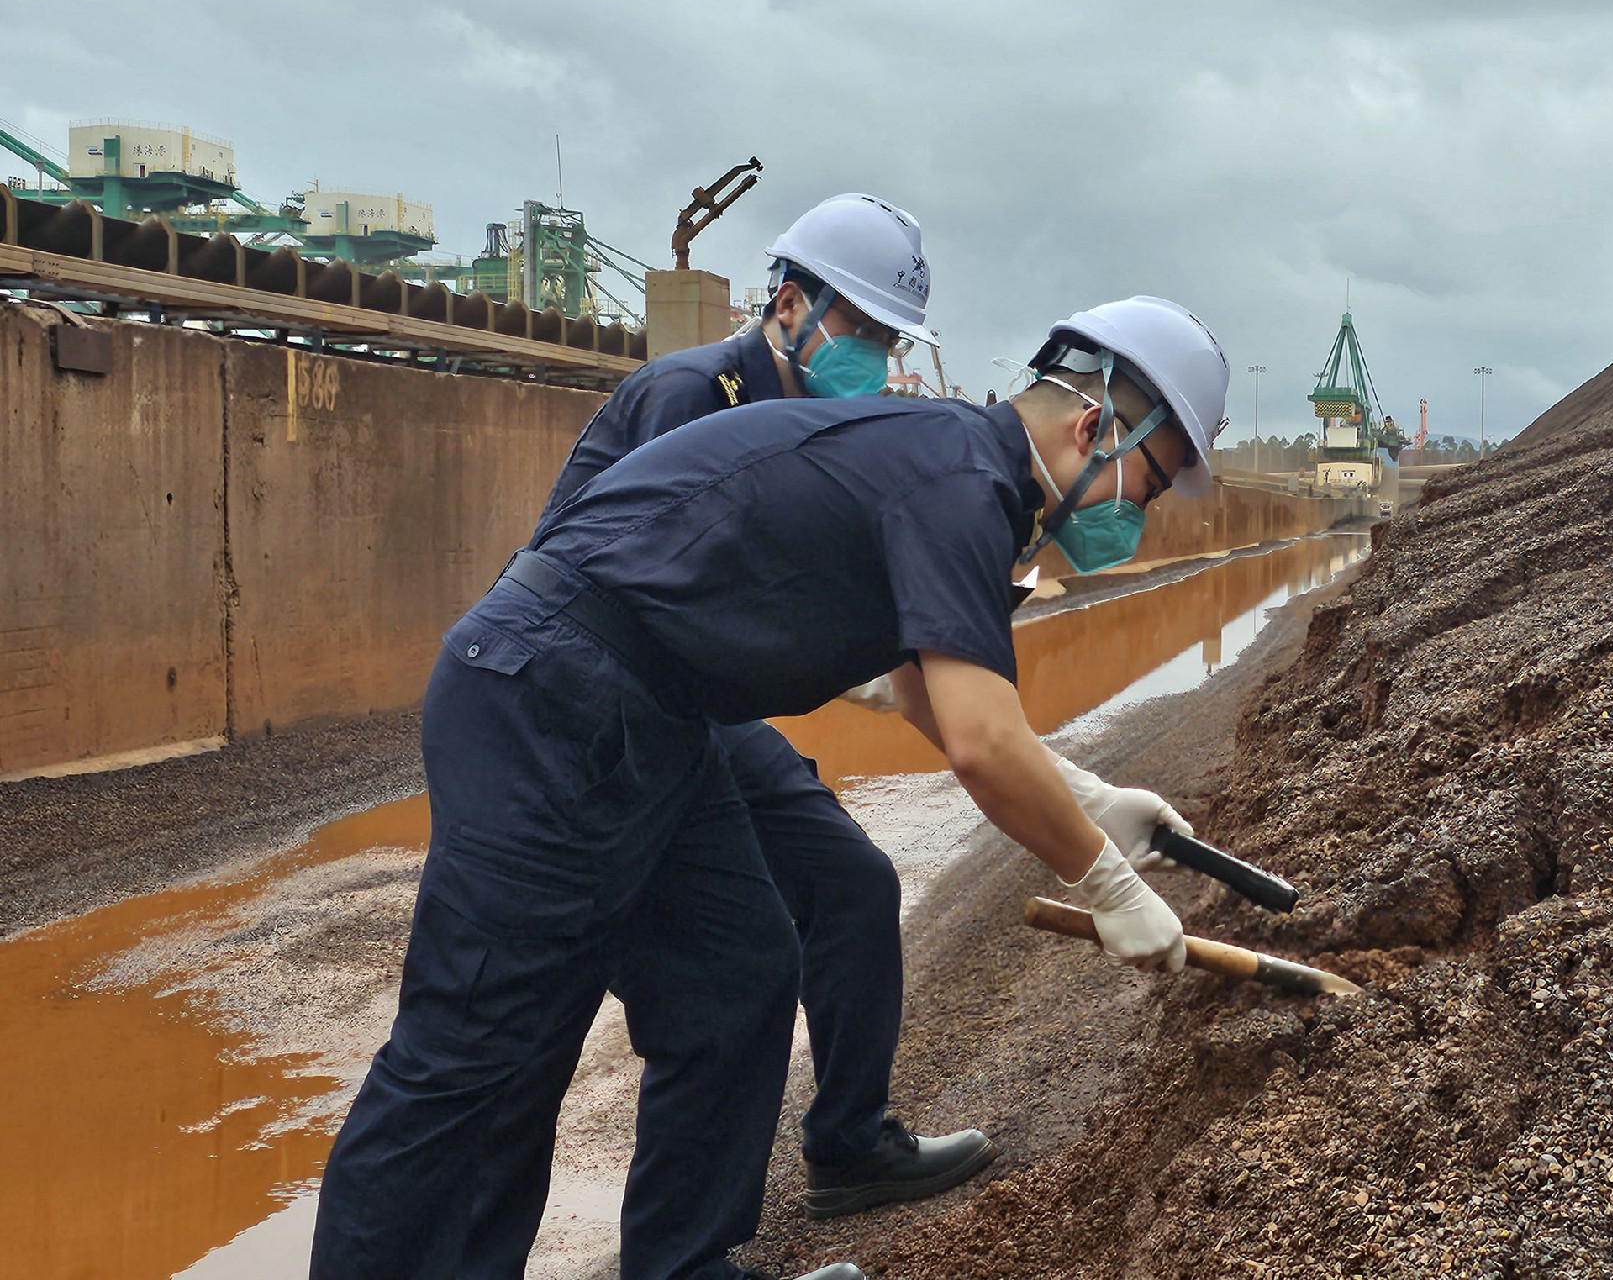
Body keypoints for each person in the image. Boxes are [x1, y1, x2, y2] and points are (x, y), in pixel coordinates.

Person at [309, 294, 1230, 1280]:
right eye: (1153, 479)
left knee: (734, 973)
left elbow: (933, 687)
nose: (1142, 509)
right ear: (1097, 426)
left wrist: (1085, 799)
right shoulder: (960, 481)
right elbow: (979, 742)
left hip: (654, 713)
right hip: (555, 695)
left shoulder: (967, 471)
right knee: (479, 1051)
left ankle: (684, 1267)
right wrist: (1104, 878)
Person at [534, 194, 997, 1225]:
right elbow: (659, 590)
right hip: (610, 700)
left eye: (888, 340)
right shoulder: (694, 393)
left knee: (850, 884)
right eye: (864, 331)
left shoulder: (822, 423)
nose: (875, 357)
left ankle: (849, 1143)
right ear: (790, 303)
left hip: (697, 706)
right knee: (726, 970)